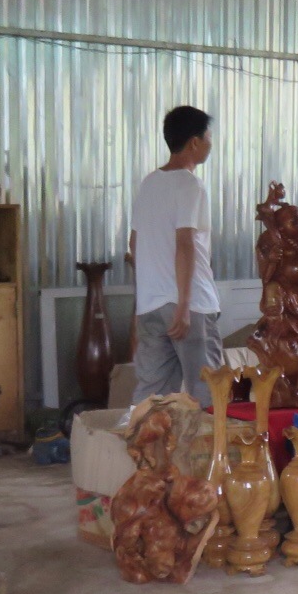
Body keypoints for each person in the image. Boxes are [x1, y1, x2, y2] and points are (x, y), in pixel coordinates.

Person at [129, 105, 222, 406]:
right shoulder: (190, 184)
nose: (210, 144)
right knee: (208, 390)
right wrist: (182, 304)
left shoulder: (149, 183)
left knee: (152, 396)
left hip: (151, 306)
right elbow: (185, 243)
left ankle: (138, 436)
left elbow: (134, 243)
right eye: (208, 138)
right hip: (189, 306)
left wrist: (148, 294)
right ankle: (211, 442)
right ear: (194, 142)